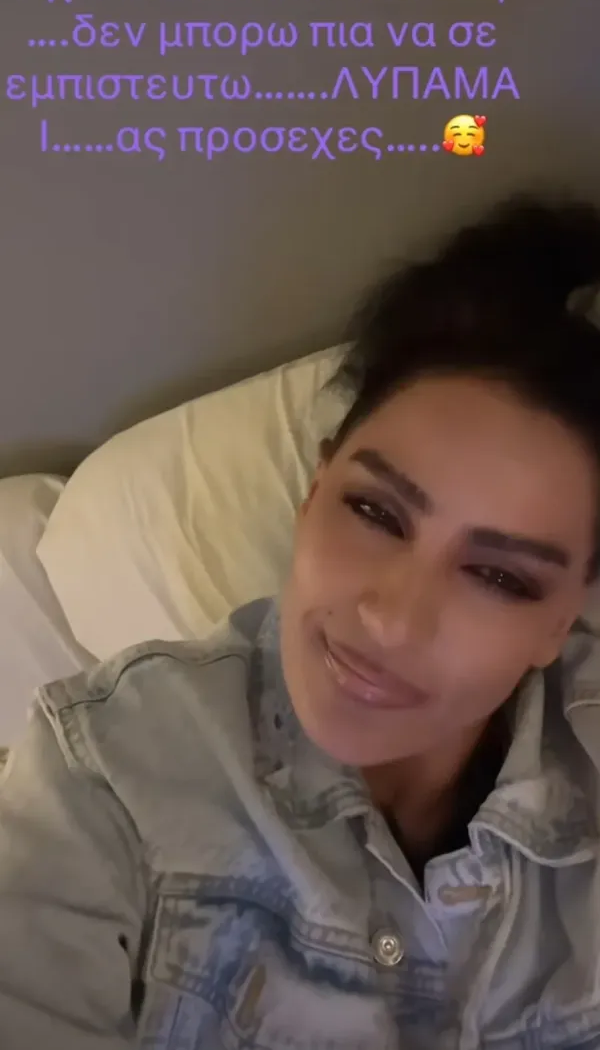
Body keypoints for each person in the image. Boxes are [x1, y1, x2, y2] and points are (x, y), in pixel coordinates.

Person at [2, 193, 600, 1050]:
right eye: (375, 511)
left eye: (499, 576)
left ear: (562, 620)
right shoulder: (107, 775)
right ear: (313, 494)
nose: (390, 619)